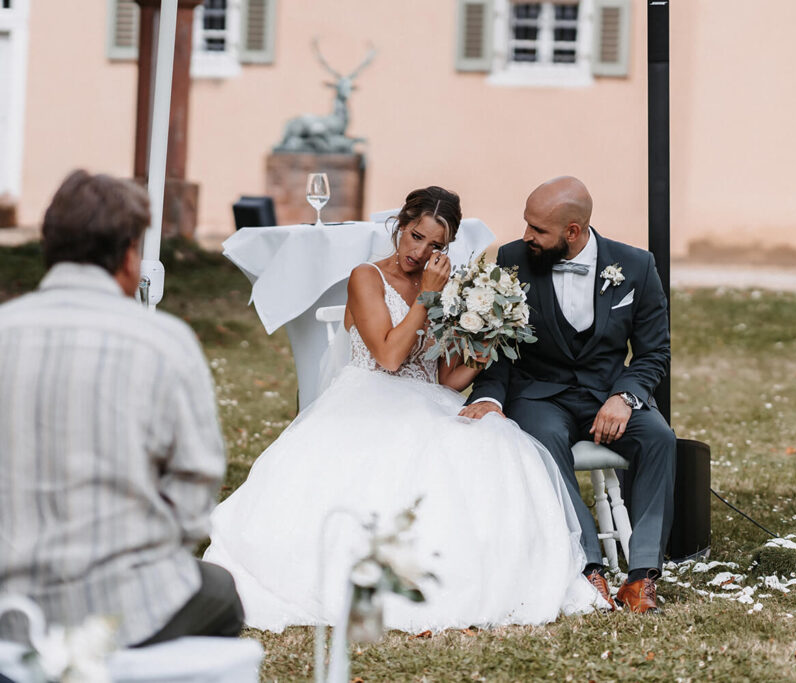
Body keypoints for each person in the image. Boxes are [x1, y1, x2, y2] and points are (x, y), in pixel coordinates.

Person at [203, 186, 601, 633]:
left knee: (495, 445)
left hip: (431, 401)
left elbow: (447, 379)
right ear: (400, 226)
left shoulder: (448, 287)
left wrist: (484, 344)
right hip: (370, 398)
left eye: (436, 246)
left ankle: (477, 569)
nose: (420, 252)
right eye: (415, 237)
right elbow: (390, 357)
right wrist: (427, 298)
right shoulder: (366, 277)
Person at [0, 170, 243, 647]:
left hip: (11, 606)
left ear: (48, 245)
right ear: (131, 253)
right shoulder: (164, 341)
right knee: (221, 593)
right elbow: (195, 486)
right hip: (126, 609)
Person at [462, 176, 675, 614]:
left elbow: (655, 352)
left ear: (573, 232)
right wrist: (490, 399)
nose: (526, 237)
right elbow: (500, 345)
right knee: (542, 442)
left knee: (660, 440)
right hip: (541, 397)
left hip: (608, 395)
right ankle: (587, 566)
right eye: (527, 225)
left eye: (538, 230)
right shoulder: (513, 260)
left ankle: (641, 577)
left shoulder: (636, 266)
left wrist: (626, 396)